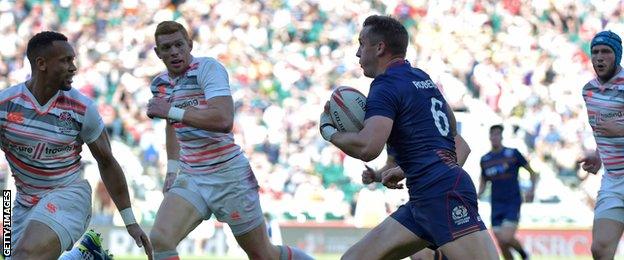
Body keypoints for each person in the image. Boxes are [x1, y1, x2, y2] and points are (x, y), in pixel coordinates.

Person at [319, 15, 498, 260]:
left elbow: (368, 147)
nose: (358, 54)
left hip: (440, 194)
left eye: (362, 44)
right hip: (425, 198)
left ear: (380, 47)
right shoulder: (422, 79)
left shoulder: (385, 86)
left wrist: (329, 132)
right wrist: (405, 169)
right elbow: (458, 144)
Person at [145, 21, 313, 260]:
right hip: (192, 174)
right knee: (160, 239)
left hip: (228, 175)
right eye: (166, 47)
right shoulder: (160, 84)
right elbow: (172, 126)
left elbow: (224, 119)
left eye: (179, 45)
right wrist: (173, 169)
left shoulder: (208, 69)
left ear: (190, 44)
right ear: (157, 52)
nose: (174, 52)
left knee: (263, 254)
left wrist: (172, 111)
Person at [0, 31, 152, 259]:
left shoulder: (82, 109)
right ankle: (83, 257)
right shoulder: (6, 106)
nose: (74, 67)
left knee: (26, 255)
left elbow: (107, 162)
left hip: (68, 196)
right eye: (65, 60)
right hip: (25, 202)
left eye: (73, 60)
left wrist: (130, 221)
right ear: (41, 64)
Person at [362, 134, 471, 260]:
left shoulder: (420, 118)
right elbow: (393, 166)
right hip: (417, 202)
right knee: (419, 255)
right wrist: (375, 176)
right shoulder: (393, 133)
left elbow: (463, 147)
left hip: (441, 197)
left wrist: (443, 179)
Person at [577, 30, 624, 260]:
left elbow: (616, 129)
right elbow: (602, 130)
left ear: (617, 55)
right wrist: (598, 155)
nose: (599, 57)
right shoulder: (589, 91)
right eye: (595, 52)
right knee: (600, 249)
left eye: (606, 51)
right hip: (613, 179)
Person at [478, 125, 537, 260]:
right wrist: (477, 194)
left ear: (502, 136)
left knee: (506, 237)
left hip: (512, 202)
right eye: (493, 134)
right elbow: (484, 181)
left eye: (498, 134)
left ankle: (524, 255)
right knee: (502, 243)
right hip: (496, 204)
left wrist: (531, 190)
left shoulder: (513, 154)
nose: (495, 137)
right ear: (489, 137)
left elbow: (532, 173)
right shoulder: (485, 159)